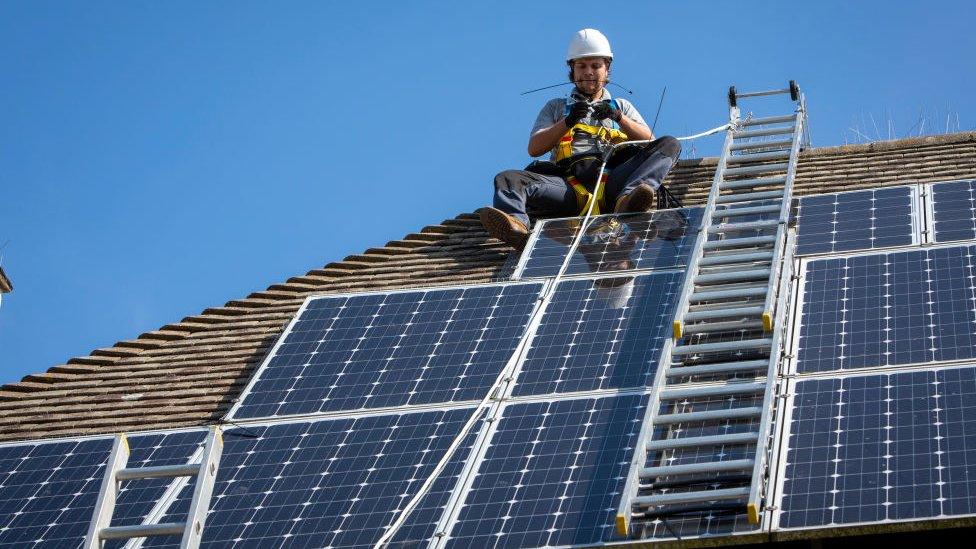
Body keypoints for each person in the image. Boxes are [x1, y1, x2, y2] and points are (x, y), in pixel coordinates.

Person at [479, 28, 682, 251]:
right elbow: (534, 148)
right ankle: (517, 228)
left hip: (613, 181)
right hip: (568, 186)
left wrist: (619, 118)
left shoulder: (621, 106)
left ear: (607, 69)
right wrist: (567, 121)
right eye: (582, 66)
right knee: (508, 179)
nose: (589, 72)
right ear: (572, 70)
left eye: (596, 66)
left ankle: (628, 200)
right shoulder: (556, 107)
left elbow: (650, 142)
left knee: (670, 144)